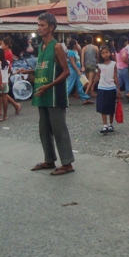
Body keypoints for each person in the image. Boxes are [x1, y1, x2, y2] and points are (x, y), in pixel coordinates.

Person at [24, 13, 75, 176]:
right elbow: (46, 67)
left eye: (42, 25)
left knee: (59, 129)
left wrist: (50, 85)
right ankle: (49, 159)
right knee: (44, 129)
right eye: (38, 25)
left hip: (54, 93)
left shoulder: (57, 46)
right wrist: (30, 71)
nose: (39, 28)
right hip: (42, 93)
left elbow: (66, 72)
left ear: (51, 28)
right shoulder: (41, 47)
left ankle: (67, 164)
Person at [92, 45, 120, 134]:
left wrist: (118, 88)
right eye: (103, 53)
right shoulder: (99, 65)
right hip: (101, 87)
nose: (105, 54)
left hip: (111, 87)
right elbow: (97, 76)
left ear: (110, 53)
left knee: (111, 107)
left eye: (106, 52)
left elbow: (115, 76)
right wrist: (93, 85)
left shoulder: (113, 64)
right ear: (100, 55)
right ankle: (105, 125)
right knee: (103, 107)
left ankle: (111, 124)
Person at [66, 39, 93, 105]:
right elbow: (72, 62)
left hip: (77, 71)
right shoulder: (70, 53)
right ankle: (63, 99)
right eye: (77, 43)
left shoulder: (75, 52)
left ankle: (85, 98)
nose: (78, 45)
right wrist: (78, 70)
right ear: (74, 45)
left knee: (80, 85)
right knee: (69, 85)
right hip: (73, 71)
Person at [0, 37, 22, 115]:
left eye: (2, 44)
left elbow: (7, 65)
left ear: (6, 45)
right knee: (1, 93)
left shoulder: (8, 53)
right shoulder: (5, 52)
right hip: (5, 73)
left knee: (3, 93)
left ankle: (16, 105)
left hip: (5, 73)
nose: (1, 45)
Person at [116, 36, 129, 102]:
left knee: (119, 82)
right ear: (125, 42)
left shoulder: (118, 49)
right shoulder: (123, 50)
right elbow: (124, 58)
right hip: (123, 67)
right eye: (127, 42)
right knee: (127, 82)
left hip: (118, 67)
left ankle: (114, 93)